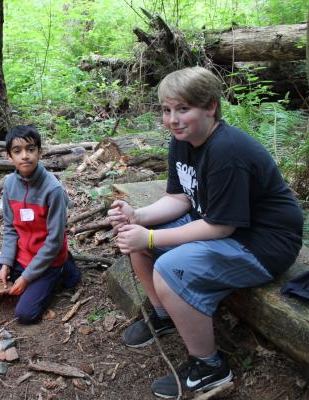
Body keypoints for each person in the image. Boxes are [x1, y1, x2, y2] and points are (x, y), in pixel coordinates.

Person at [108, 66, 303, 398]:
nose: (173, 120)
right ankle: (165, 315)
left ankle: (209, 366)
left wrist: (151, 237)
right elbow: (179, 198)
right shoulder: (183, 141)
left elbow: (221, 227)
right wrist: (137, 215)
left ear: (211, 106)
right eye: (166, 110)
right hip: (221, 227)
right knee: (139, 234)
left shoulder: (227, 150)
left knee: (168, 269)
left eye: (183, 109)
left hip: (262, 244)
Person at [0, 125, 81, 324]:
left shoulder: (53, 190)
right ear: (9, 157)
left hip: (49, 259)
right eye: (17, 151)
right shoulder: (10, 184)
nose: (25, 156)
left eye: (30, 149)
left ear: (39, 152)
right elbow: (10, 229)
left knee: (25, 315)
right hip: (21, 255)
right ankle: (33, 274)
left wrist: (26, 278)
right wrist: (5, 265)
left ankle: (63, 270)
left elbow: (54, 241)